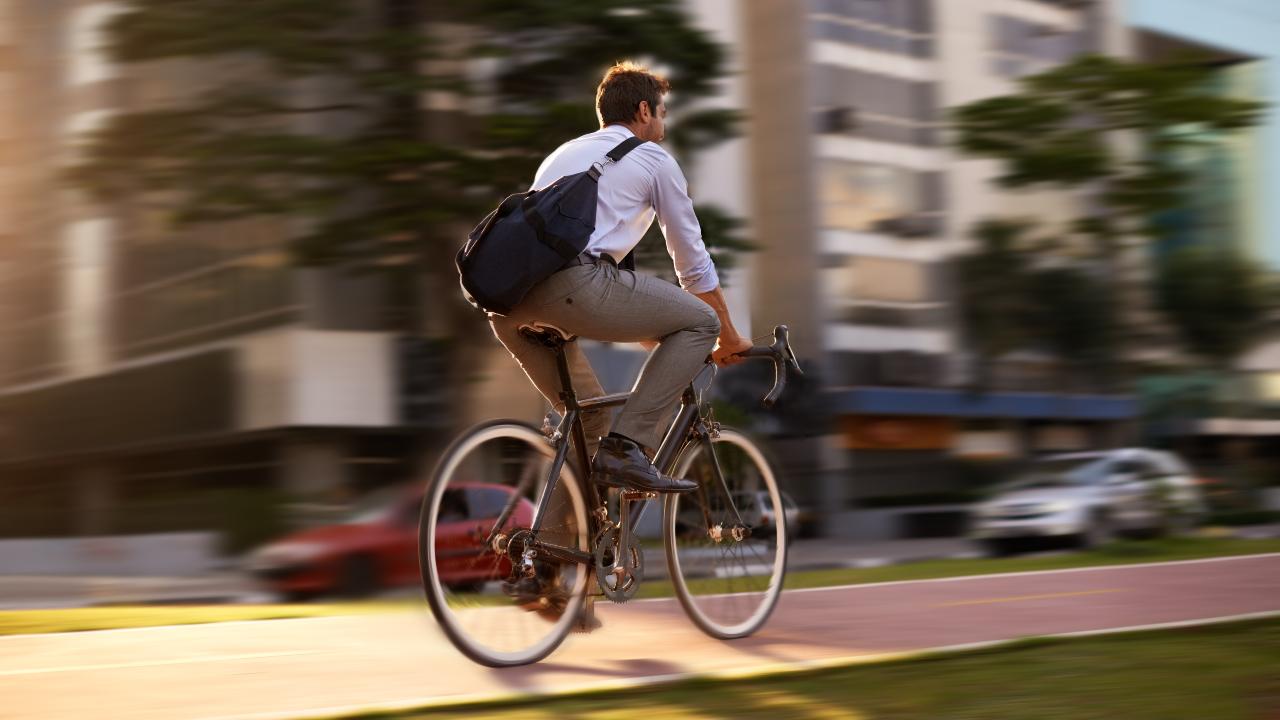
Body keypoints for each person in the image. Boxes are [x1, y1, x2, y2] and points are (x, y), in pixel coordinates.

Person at [488, 61, 751, 494]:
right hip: (572, 288)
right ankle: (627, 448)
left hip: (509, 306)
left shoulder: (564, 153)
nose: (664, 123)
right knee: (700, 321)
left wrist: (662, 342)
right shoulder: (652, 160)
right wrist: (726, 335)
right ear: (644, 111)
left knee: (588, 415)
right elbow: (692, 261)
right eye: (663, 112)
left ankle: (549, 556)